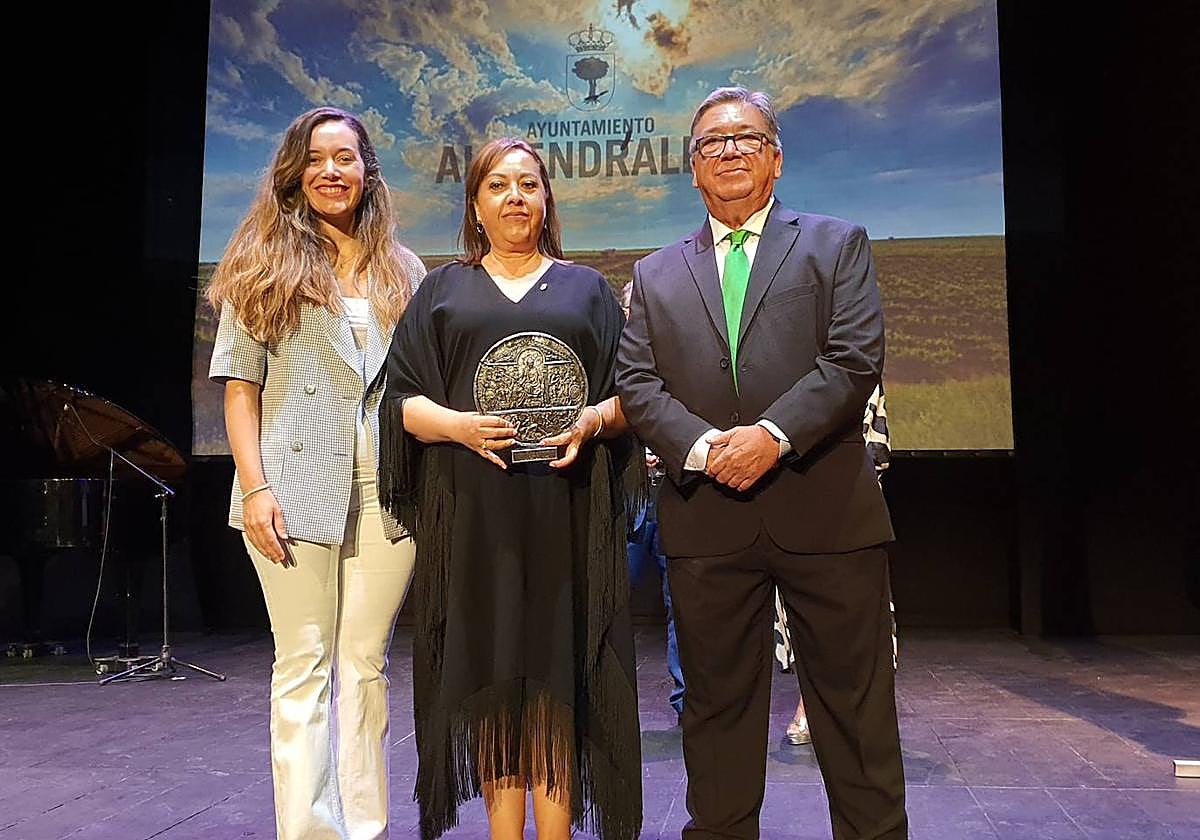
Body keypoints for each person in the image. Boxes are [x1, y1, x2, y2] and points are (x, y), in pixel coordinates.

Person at [616, 86, 908, 840]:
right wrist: (710, 447)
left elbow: (852, 360)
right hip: (708, 522)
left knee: (855, 711)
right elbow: (638, 385)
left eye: (748, 138)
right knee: (716, 713)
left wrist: (772, 436)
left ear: (776, 159)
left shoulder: (836, 244)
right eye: (713, 141)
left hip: (828, 515)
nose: (731, 150)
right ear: (692, 169)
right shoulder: (654, 275)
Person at [378, 137, 642, 840]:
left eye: (529, 184)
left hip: (566, 511)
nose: (516, 196)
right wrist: (458, 427)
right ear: (475, 204)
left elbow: (629, 399)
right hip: (474, 518)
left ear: (547, 200)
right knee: (496, 679)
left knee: (555, 678)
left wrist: (593, 418)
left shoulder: (586, 289)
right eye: (498, 185)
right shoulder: (440, 289)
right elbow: (401, 402)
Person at [206, 106, 425, 840]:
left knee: (366, 666)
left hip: (388, 494)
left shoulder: (405, 270)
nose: (333, 170)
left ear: (369, 172)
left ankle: (364, 828)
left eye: (348, 157)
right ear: (296, 172)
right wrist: (256, 487)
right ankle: (309, 833)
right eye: (318, 158)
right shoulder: (260, 263)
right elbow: (241, 389)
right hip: (291, 491)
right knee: (303, 665)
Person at [778, 384, 893, 747]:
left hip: (847, 514)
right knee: (805, 622)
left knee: (853, 620)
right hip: (794, 511)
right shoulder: (786, 368)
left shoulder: (858, 374)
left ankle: (849, 712)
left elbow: (878, 449)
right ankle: (809, 706)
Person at [620, 282, 686, 723]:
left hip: (674, 494)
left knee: (682, 603)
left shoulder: (687, 359)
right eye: (631, 310)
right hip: (627, 495)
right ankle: (596, 704)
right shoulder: (610, 360)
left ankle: (689, 704)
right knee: (606, 598)